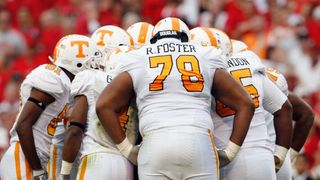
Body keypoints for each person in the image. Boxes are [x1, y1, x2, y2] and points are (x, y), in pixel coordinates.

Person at [96, 17, 255, 180]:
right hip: (198, 140)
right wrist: (230, 152)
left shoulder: (137, 57)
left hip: (155, 143)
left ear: (154, 39)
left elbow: (104, 105)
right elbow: (246, 104)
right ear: (186, 38)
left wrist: (126, 149)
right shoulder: (205, 54)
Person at [190, 29, 293, 180]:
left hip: (230, 160)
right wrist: (280, 156)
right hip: (263, 157)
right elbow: (286, 108)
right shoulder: (250, 66)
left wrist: (230, 152)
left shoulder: (205, 74)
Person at [0, 34, 100, 180]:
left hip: (31, 157)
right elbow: (23, 125)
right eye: (91, 60)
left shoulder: (64, 82)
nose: (94, 65)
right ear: (76, 61)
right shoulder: (54, 79)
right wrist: (37, 169)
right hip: (24, 159)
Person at [48, 25, 132, 180]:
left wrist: (64, 173)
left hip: (95, 159)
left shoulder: (89, 78)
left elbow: (74, 130)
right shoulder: (134, 82)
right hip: (126, 165)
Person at [265, 67, 314, 180]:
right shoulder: (265, 77)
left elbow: (306, 114)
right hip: (278, 161)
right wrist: (286, 157)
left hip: (255, 158)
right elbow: (306, 114)